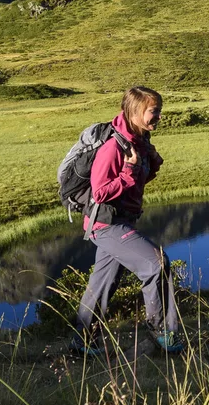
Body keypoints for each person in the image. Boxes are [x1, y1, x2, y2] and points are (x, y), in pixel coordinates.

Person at [76, 86, 182, 353]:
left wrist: (150, 166)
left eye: (159, 111)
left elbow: (134, 183)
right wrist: (130, 170)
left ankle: (82, 343)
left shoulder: (138, 142)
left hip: (122, 221)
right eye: (153, 112)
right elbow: (99, 192)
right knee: (157, 264)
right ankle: (161, 334)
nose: (158, 117)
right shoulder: (114, 147)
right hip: (108, 225)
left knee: (102, 285)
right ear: (135, 112)